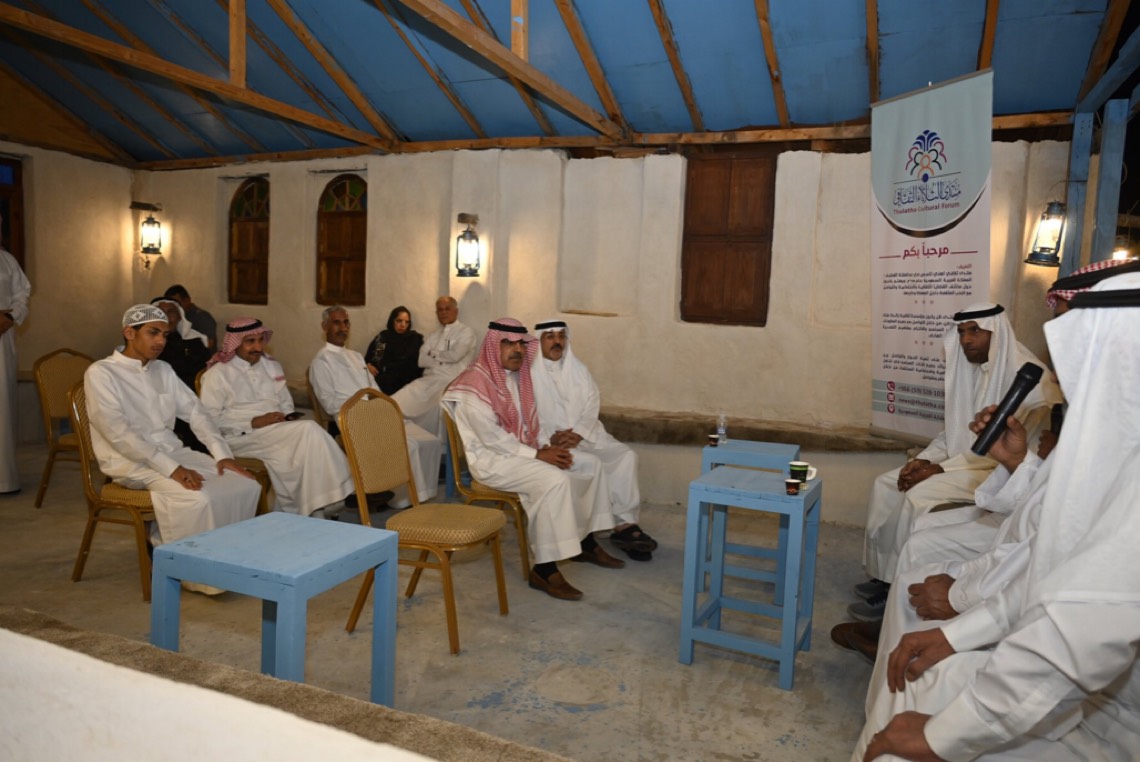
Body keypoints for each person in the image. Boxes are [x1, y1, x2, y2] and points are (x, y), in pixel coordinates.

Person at [856, 272, 1140, 761]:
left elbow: (1077, 623)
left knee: (919, 699)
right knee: (921, 558)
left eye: (1073, 335)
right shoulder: (1112, 434)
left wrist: (964, 599)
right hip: (1073, 678)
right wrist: (1015, 461)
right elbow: (1046, 544)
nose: (1061, 356)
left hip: (1111, 719)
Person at [850, 303, 1060, 622]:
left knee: (917, 496)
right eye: (961, 332)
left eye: (975, 330)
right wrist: (923, 460)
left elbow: (1003, 450)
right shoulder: (973, 370)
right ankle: (884, 575)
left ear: (996, 331)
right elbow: (954, 433)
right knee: (886, 484)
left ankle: (894, 592)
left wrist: (937, 469)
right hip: (966, 463)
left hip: (999, 472)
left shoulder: (1029, 380)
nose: (966, 340)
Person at [84, 304, 260, 593]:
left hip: (173, 452)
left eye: (165, 335)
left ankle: (230, 564)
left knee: (244, 484)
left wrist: (223, 455)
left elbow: (196, 413)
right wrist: (171, 468)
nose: (161, 341)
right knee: (198, 498)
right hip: (129, 461)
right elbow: (118, 433)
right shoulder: (102, 373)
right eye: (153, 333)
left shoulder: (163, 369)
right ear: (129, 332)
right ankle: (190, 571)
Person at [442, 318, 621, 601]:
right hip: (492, 461)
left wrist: (545, 445)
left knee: (590, 464)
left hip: (522, 451)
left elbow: (529, 426)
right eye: (508, 343)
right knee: (554, 479)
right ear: (493, 345)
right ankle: (545, 569)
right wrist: (538, 455)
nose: (517, 350)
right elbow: (492, 439)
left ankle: (585, 540)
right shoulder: (472, 384)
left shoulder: (518, 377)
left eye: (521, 344)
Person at [200, 317, 353, 518]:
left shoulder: (271, 366)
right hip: (238, 437)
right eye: (250, 341)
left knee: (305, 441)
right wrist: (254, 422)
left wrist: (287, 417)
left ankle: (314, 507)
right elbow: (209, 423)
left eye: (260, 340)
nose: (257, 347)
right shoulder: (217, 375)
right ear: (235, 343)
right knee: (308, 430)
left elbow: (286, 403)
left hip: (276, 430)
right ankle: (328, 500)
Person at [530, 319, 657, 561]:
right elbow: (528, 415)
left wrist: (579, 432)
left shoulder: (578, 368)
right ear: (538, 341)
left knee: (625, 457)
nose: (557, 341)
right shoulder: (528, 375)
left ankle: (624, 524)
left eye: (561, 336)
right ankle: (584, 531)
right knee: (588, 465)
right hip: (550, 442)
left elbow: (591, 403)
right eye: (550, 336)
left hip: (587, 435)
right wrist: (550, 437)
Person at [309, 305, 441, 506]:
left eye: (346, 323)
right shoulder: (323, 361)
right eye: (336, 323)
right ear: (324, 326)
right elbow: (330, 402)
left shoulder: (357, 355)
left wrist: (378, 402)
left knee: (429, 441)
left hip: (380, 406)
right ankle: (405, 500)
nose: (343, 328)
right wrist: (365, 401)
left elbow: (374, 387)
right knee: (410, 445)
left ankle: (417, 495)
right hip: (354, 416)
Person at [391, 296, 477, 437]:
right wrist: (443, 358)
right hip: (428, 380)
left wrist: (433, 353)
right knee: (397, 400)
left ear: (456, 311)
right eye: (440, 310)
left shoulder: (466, 332)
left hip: (450, 382)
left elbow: (455, 356)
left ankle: (435, 445)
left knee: (437, 406)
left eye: (447, 309)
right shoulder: (434, 335)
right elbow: (421, 361)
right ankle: (403, 439)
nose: (443, 313)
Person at [0, 212, 30, 495]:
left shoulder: (8, 260)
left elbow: (22, 295)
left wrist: (9, 317)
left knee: (3, 407)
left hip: (2, 338)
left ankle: (4, 479)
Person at [150, 296, 211, 389]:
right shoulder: (147, 343)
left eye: (170, 312)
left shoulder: (194, 340)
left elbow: (206, 369)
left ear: (179, 317)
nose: (166, 316)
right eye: (160, 312)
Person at [365, 306, 424, 395]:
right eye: (399, 321)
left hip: (406, 383)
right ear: (392, 321)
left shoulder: (414, 339)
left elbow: (417, 365)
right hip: (383, 382)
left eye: (406, 322)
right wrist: (368, 365)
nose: (403, 325)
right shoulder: (384, 338)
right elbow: (376, 358)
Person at [164, 284, 218, 349]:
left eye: (177, 303)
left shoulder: (202, 317)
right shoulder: (173, 316)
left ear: (187, 300)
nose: (174, 306)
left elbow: (209, 343)